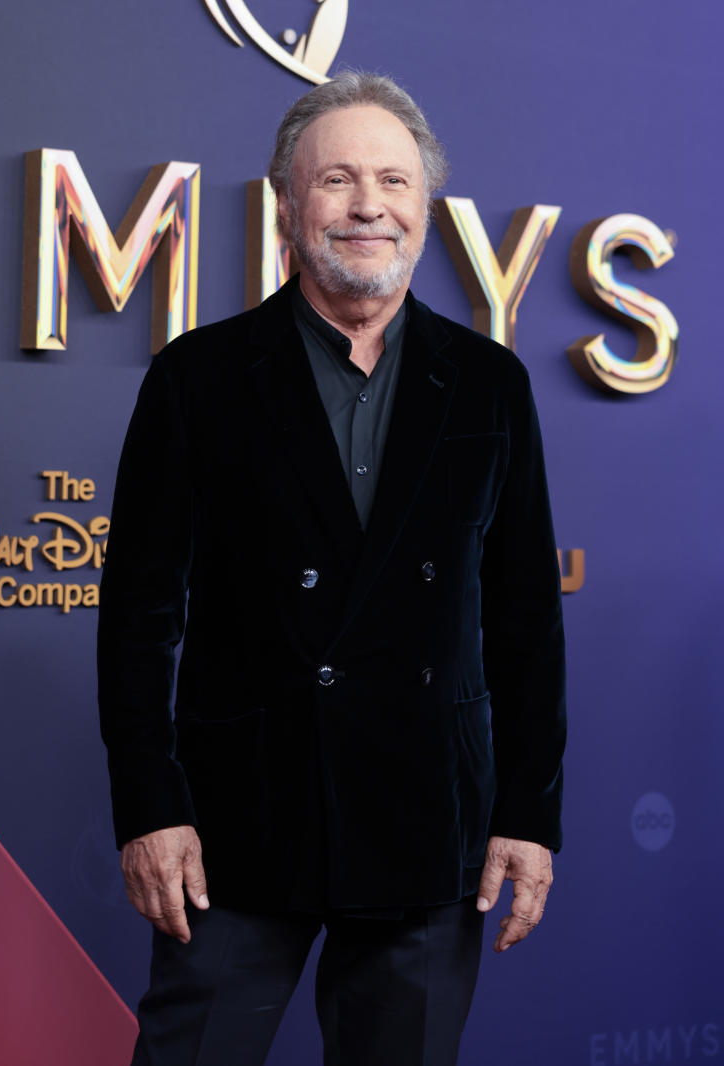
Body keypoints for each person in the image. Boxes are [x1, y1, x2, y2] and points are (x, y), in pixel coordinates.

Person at [98, 71, 566, 1066]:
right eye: (338, 180)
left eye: (394, 182)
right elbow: (140, 616)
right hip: (236, 828)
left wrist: (529, 811)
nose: (368, 206)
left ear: (425, 208)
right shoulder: (199, 377)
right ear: (285, 206)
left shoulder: (490, 383)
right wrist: (150, 804)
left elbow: (524, 617)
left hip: (428, 824)